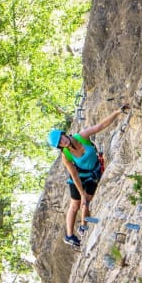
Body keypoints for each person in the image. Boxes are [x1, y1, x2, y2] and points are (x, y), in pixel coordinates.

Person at [47, 104, 130, 247]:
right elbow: (74, 175)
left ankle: (83, 227)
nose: (63, 141)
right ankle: (69, 235)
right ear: (59, 147)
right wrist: (81, 194)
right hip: (78, 179)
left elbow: (100, 126)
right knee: (75, 205)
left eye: (62, 138)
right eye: (60, 143)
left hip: (94, 174)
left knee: (87, 202)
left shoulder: (82, 137)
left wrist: (117, 112)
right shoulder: (66, 156)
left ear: (64, 134)